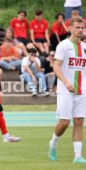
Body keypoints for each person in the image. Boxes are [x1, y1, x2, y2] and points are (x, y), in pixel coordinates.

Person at [48, 17, 86, 163]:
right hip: (65, 89)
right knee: (64, 122)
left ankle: (77, 156)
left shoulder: (84, 47)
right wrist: (65, 82)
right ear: (70, 28)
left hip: (82, 90)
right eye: (78, 27)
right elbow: (56, 66)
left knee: (79, 121)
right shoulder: (63, 45)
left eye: (82, 28)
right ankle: (53, 142)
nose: (81, 30)